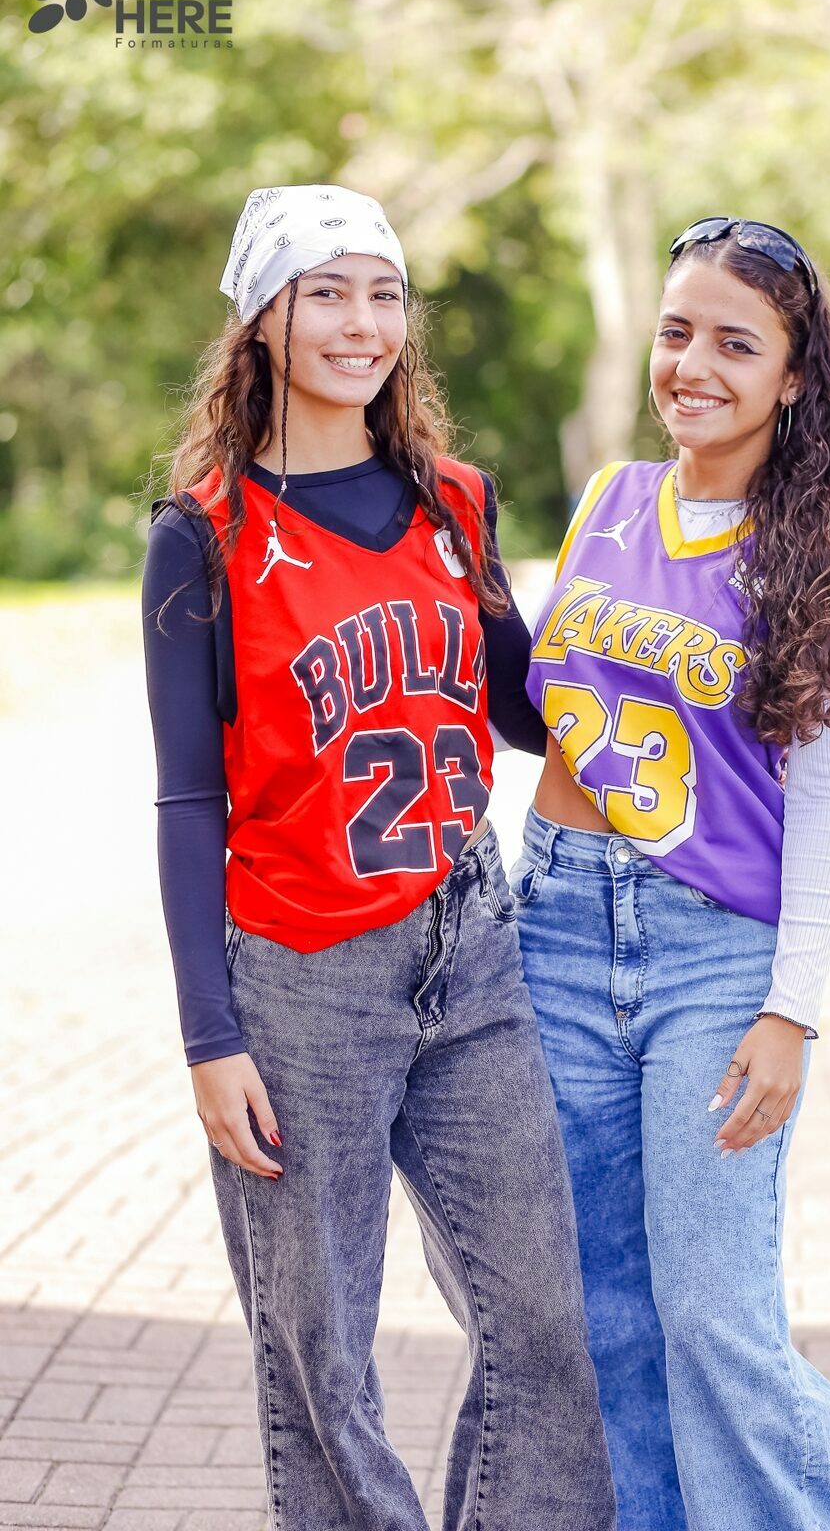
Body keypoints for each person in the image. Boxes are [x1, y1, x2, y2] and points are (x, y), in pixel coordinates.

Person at [141, 183, 615, 1531]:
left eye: (386, 294)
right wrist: (208, 1036)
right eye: (329, 293)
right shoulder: (206, 536)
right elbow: (187, 802)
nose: (364, 323)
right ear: (263, 318)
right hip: (302, 978)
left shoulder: (454, 502)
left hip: (470, 949)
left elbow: (519, 706)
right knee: (321, 1358)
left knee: (546, 1324)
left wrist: (644, 650)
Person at [511, 216, 830, 1529]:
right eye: (677, 333)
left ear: (794, 378)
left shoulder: (829, 552)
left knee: (711, 1308)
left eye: (737, 345)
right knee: (603, 1306)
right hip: (558, 921)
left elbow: (829, 794)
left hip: (714, 954)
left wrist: (791, 1009)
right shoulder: (607, 500)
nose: (694, 366)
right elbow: (544, 705)